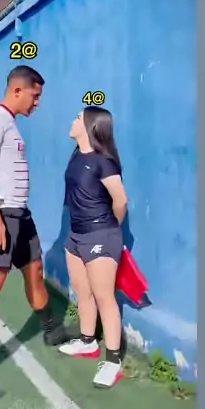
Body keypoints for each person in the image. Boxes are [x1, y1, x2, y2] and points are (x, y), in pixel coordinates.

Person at [0, 65, 72, 399]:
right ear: (18, 90)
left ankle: (51, 330)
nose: (37, 103)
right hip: (0, 215)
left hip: (20, 215)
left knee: (35, 272)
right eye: (35, 96)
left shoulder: (10, 124)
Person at [57, 106, 128, 388]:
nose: (73, 120)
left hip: (101, 234)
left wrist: (109, 230)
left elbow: (120, 200)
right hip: (76, 235)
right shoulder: (76, 156)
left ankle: (113, 362)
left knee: (104, 297)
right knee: (83, 293)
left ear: (89, 126)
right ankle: (88, 342)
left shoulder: (104, 162)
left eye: (78, 117)